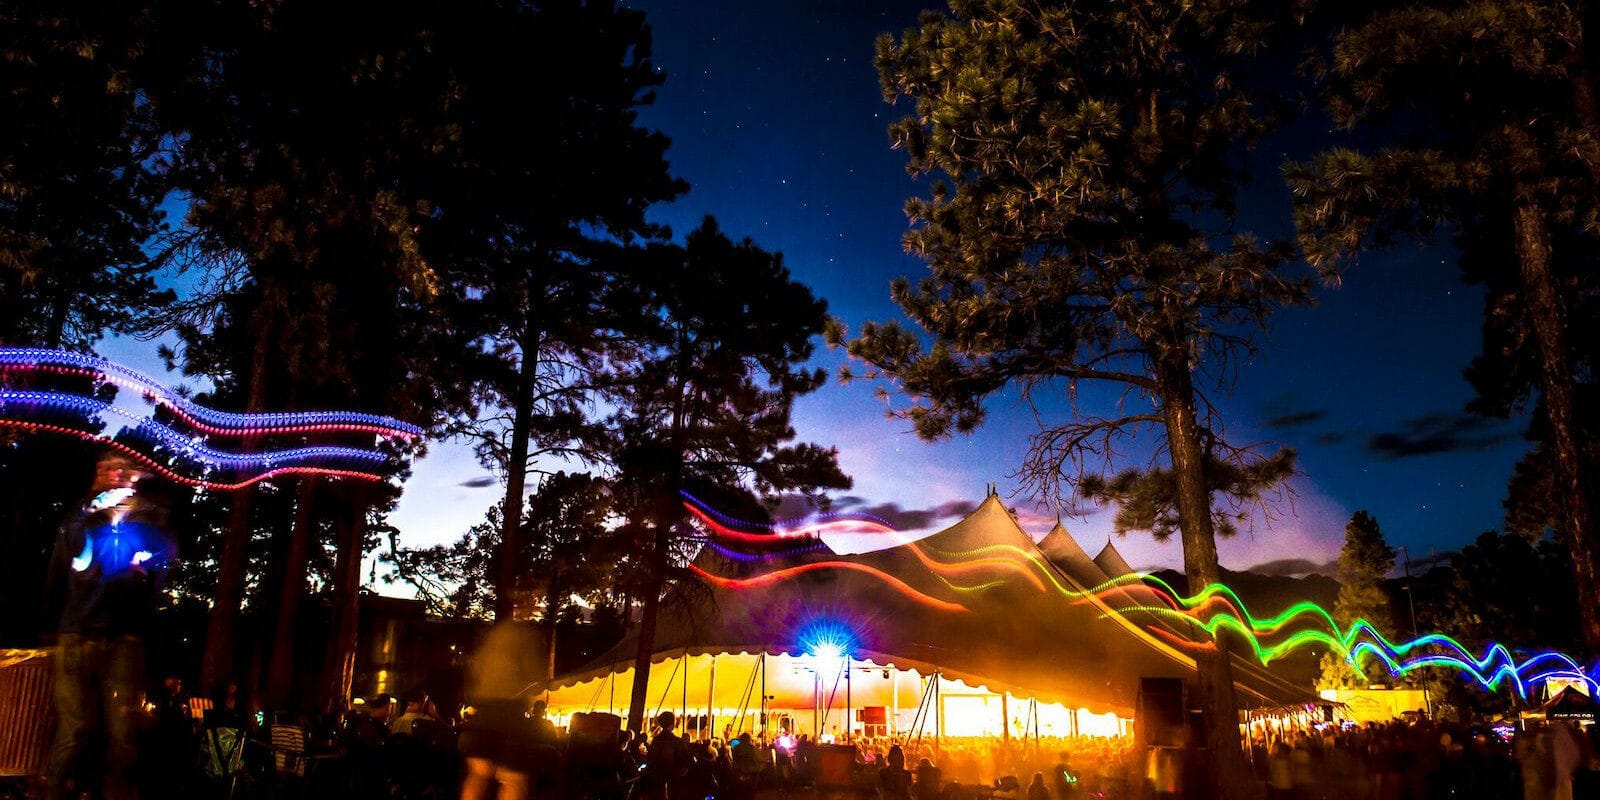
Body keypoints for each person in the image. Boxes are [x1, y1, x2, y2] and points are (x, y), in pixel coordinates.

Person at [46, 451, 176, 800]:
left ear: (134, 476)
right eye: (106, 468)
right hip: (78, 636)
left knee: (122, 736)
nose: (114, 474)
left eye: (123, 469)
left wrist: (145, 571)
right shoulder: (81, 517)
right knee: (75, 731)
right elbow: (64, 563)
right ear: (97, 475)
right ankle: (56, 791)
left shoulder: (148, 519)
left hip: (123, 640)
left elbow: (162, 562)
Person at [459, 622, 546, 800]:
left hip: (482, 711)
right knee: (513, 778)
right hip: (510, 711)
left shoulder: (490, 633)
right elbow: (535, 676)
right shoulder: (526, 633)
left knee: (478, 774)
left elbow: (474, 669)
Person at [643, 711, 691, 799]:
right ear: (672, 724)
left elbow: (650, 759)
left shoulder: (655, 741)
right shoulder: (677, 741)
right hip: (673, 782)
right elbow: (686, 761)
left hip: (657, 781)